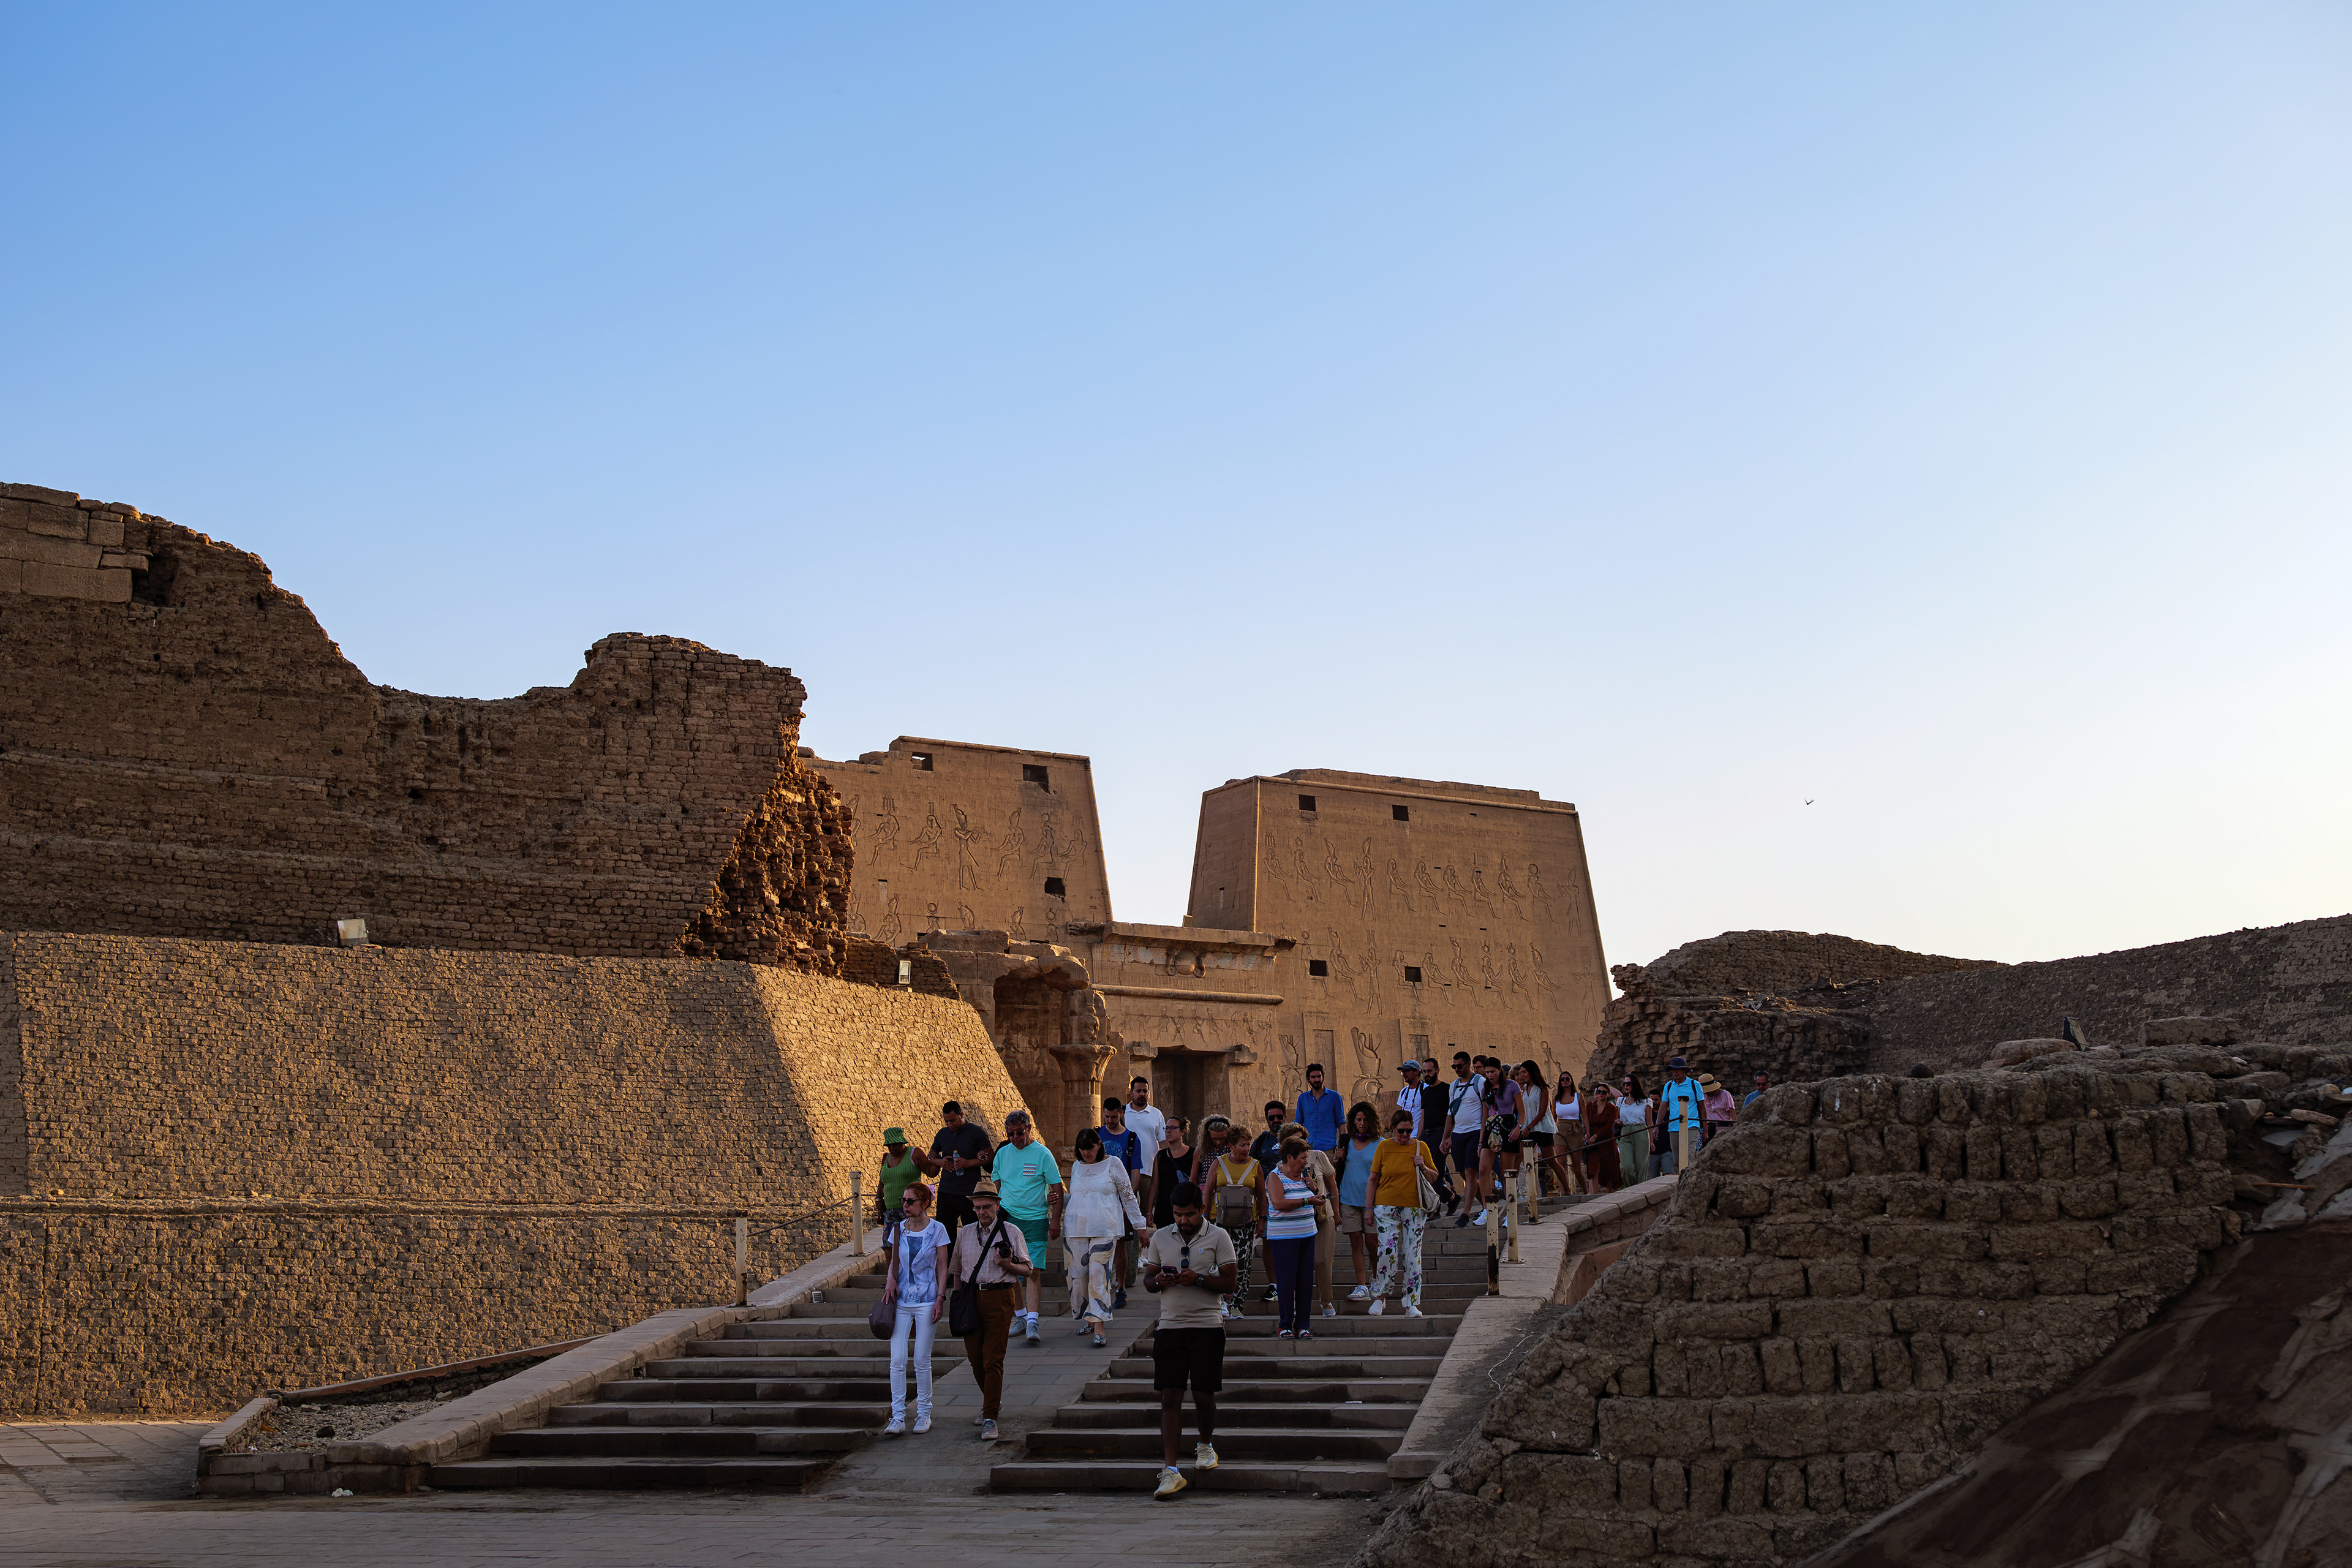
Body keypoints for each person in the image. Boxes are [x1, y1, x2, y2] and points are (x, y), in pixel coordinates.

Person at [1141, 1182, 1238, 1499]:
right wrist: (1159, 1279)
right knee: (1170, 1397)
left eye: (1190, 1215)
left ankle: (1206, 1446)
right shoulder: (1160, 1237)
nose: (1183, 1221)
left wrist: (1198, 1280)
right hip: (1170, 1326)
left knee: (1203, 1396)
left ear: (1202, 1210)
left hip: (1207, 1326)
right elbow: (1148, 1281)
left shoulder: (1219, 1237)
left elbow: (1230, 1283)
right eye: (1178, 1215)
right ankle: (1170, 1470)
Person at [945, 1178, 1036, 1442]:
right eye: (977, 1207)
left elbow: (1028, 1270)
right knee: (975, 1358)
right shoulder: (965, 1233)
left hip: (1000, 1296)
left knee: (993, 1359)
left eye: (986, 1207)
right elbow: (956, 1270)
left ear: (997, 1205)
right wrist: (958, 1298)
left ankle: (990, 1416)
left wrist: (1008, 1265)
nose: (982, 1212)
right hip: (971, 1298)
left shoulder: (1011, 1232)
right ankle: (991, 1402)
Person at [1065, 1126, 1148, 1347]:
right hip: (1076, 1230)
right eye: (1082, 1149)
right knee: (1078, 1278)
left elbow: (1128, 1197)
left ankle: (1099, 1326)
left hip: (1106, 1229)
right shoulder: (1076, 1167)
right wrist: (1057, 1200)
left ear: (1099, 1145)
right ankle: (1090, 1319)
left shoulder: (1114, 1164)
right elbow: (1077, 1197)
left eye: (1090, 1148)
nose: (1086, 1153)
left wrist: (1140, 1226)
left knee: (1097, 1274)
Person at [989, 1109, 1064, 1346]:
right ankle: (1021, 1317)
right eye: (1010, 1134)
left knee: (1033, 1271)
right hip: (1008, 1221)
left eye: (1019, 1133)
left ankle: (1033, 1321)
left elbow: (1057, 1189)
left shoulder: (1043, 1154)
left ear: (1029, 1129)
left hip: (1036, 1220)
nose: (1015, 1138)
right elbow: (996, 1185)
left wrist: (1055, 1220)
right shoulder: (1002, 1154)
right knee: (1011, 1270)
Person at [880, 1181, 950, 1435]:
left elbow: (942, 1266)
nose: (905, 1206)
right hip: (901, 1300)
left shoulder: (937, 1229)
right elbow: (894, 1261)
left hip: (927, 1299)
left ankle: (924, 1414)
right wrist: (890, 1278)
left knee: (921, 1358)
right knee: (897, 1359)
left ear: (925, 1203)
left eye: (910, 1201)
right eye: (904, 1201)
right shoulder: (898, 1229)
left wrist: (940, 1297)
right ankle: (897, 1416)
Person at [1368, 1109, 1439, 1316]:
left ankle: (1411, 1303)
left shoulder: (1421, 1147)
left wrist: (1423, 1167)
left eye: (1409, 1131)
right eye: (1401, 1131)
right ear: (1393, 1129)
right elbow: (1373, 1178)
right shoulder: (1384, 1147)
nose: (1405, 1135)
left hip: (1414, 1207)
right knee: (1387, 1251)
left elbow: (1434, 1177)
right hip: (1386, 1205)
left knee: (1412, 1254)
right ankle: (1380, 1297)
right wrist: (1368, 1208)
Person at [1276, 1119, 1339, 1317]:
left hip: (1323, 1215)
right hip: (1297, 1219)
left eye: (1301, 1139)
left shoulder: (1319, 1156)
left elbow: (1333, 1186)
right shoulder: (1280, 1167)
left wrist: (1337, 1213)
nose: (1299, 1143)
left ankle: (1326, 1301)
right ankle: (1296, 1305)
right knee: (1297, 1265)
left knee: (1322, 1261)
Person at [1264, 1138, 1323, 1338]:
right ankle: (1285, 1325)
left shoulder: (1305, 1175)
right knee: (1287, 1282)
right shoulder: (1275, 1176)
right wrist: (1307, 1200)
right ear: (1290, 1157)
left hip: (1307, 1235)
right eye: (1303, 1158)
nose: (1306, 1162)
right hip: (1284, 1238)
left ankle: (1303, 1325)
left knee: (1306, 1281)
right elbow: (1278, 1203)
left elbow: (1313, 1198)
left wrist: (1314, 1189)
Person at [1204, 1117, 1262, 1319]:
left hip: (1246, 1223)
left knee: (1243, 1264)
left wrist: (1262, 1219)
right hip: (1218, 1221)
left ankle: (1237, 1303)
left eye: (1248, 1144)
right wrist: (1204, 1218)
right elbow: (1208, 1192)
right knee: (1218, 1262)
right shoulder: (1218, 1163)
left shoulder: (1255, 1165)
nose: (1247, 1148)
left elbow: (1262, 1195)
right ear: (1231, 1146)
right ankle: (1221, 1301)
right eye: (1242, 1145)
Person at [1333, 1102, 1382, 1303]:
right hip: (1349, 1198)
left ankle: (1376, 1279)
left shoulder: (1380, 1143)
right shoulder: (1346, 1140)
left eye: (1365, 1120)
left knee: (1372, 1243)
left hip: (1372, 1200)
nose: (1362, 1124)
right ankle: (1361, 1285)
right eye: (1358, 1120)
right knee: (1355, 1242)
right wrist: (1337, 1159)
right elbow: (1337, 1168)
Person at [1098, 1096, 1145, 1305]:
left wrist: (1128, 1199)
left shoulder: (1132, 1139)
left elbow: (1135, 1172)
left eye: (1114, 1117)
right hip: (1100, 1199)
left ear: (1121, 1114)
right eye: (1107, 1117)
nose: (1110, 1121)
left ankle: (1121, 1288)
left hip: (1121, 1198)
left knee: (1120, 1244)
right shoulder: (1096, 1135)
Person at [923, 1101, 993, 1238]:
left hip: (970, 1192)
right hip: (946, 1191)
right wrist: (941, 1162)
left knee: (973, 1233)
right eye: (947, 1121)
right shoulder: (943, 1134)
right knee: (944, 1233)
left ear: (961, 1115)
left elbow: (990, 1156)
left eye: (953, 1121)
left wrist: (969, 1163)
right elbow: (930, 1157)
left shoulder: (976, 1132)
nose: (950, 1125)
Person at [1246, 1101, 1286, 1300]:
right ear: (1267, 1119)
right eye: (1272, 1118)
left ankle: (1290, 1283)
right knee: (1268, 1242)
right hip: (1268, 1200)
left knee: (1291, 1243)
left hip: (1292, 1198)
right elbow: (1251, 1169)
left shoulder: (1295, 1138)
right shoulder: (1261, 1142)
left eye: (1279, 1117)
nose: (1276, 1121)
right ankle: (1274, 1285)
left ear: (1285, 1117)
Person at [1124, 1077, 1167, 1260]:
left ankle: (1140, 1254)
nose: (1142, 1094)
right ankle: (1127, 1254)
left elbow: (1163, 1143)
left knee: (1143, 1213)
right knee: (1125, 1212)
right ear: (1131, 1093)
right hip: (1125, 1172)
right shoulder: (1122, 1114)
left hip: (1149, 1171)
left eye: (1145, 1091)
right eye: (1138, 1091)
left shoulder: (1156, 1114)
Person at [1445, 1052, 1490, 1228]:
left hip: (1475, 1131)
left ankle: (1466, 1213)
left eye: (1460, 1066)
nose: (1457, 1069)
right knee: (1463, 1173)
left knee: (1471, 1172)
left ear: (1468, 1064)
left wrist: (1482, 1135)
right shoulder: (1453, 1086)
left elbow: (1486, 1109)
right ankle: (1487, 1205)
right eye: (1454, 1066)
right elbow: (1451, 1113)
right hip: (1458, 1133)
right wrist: (1446, 1137)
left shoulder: (1480, 1081)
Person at [1512, 1060, 1556, 1215]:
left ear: (1532, 1072)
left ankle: (1567, 1189)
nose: (1522, 1075)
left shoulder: (1543, 1089)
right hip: (1528, 1128)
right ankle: (1513, 1189)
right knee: (1518, 1157)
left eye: (1524, 1072)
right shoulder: (1524, 1089)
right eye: (1520, 1073)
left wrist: (1529, 1127)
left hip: (1541, 1128)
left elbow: (1542, 1111)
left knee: (1551, 1160)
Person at [1151, 1116, 1200, 1228]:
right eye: (1167, 1128)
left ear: (1182, 1132)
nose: (1168, 1131)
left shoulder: (1193, 1154)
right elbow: (1154, 1185)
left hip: (1186, 1207)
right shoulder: (1160, 1156)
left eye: (1173, 1128)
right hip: (1165, 1207)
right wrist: (1149, 1212)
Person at [1659, 1057, 1703, 1175]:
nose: (1675, 1072)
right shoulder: (1668, 1086)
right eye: (1673, 1069)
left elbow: (1702, 1107)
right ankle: (1682, 1179)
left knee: (1689, 1155)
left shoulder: (1695, 1085)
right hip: (1674, 1127)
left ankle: (1691, 1180)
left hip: (1692, 1125)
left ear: (1684, 1070)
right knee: (1677, 1159)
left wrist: (1705, 1128)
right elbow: (1663, 1106)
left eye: (1678, 1069)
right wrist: (1657, 1126)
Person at [876, 1128, 923, 1226]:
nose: (892, 1147)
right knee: (891, 1236)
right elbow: (883, 1181)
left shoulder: (913, 1154)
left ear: (902, 1143)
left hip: (911, 1209)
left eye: (895, 1144)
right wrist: (878, 1198)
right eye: (889, 1145)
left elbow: (931, 1172)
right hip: (890, 1212)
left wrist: (937, 1160)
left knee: (912, 1234)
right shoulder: (886, 1158)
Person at [1549, 1070, 1584, 1200]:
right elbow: (1554, 1118)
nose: (1564, 1081)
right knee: (1561, 1163)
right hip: (1559, 1130)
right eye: (1562, 1079)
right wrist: (1551, 1132)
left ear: (1571, 1081)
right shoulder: (1556, 1099)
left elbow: (1584, 1116)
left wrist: (1588, 1133)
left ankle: (1586, 1192)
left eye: (1567, 1079)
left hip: (1575, 1129)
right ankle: (1564, 1193)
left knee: (1576, 1168)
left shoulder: (1579, 1096)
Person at [1295, 1063, 1344, 1153]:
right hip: (1308, 1148)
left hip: (1328, 1147)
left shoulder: (1334, 1097)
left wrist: (1342, 1148)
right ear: (1308, 1079)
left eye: (1319, 1076)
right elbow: (1298, 1123)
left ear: (1323, 1078)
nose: (1317, 1079)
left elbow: (1341, 1123)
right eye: (1313, 1077)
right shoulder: (1303, 1098)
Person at [1583, 1080, 1623, 1191]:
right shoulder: (1590, 1106)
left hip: (1607, 1141)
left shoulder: (1612, 1108)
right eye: (1599, 1092)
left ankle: (1609, 1195)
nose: (1601, 1094)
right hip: (1593, 1143)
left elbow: (1609, 1126)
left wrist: (1596, 1136)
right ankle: (1594, 1196)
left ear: (1608, 1094)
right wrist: (1587, 1134)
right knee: (1593, 1170)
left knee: (1609, 1169)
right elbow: (1585, 1121)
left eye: (1604, 1092)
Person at [1616, 1075, 1651, 1183]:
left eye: (1628, 1083)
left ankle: (1640, 1189)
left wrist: (1652, 1140)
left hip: (1641, 1131)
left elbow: (1650, 1122)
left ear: (1635, 1085)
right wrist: (1618, 1121)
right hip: (1625, 1132)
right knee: (1626, 1167)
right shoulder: (1621, 1101)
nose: (1626, 1086)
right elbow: (1617, 1118)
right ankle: (1630, 1188)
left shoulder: (1646, 1102)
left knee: (1642, 1166)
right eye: (1624, 1083)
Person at [1699, 1072, 1738, 1145]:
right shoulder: (1704, 1097)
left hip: (1723, 1126)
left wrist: (1736, 1127)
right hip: (1709, 1128)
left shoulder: (1725, 1095)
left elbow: (1732, 1113)